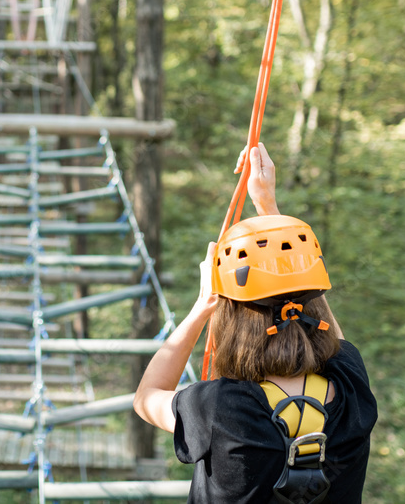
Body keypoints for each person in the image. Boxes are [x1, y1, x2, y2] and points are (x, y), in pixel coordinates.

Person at [134, 143, 377, 504]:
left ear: (230, 315)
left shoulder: (220, 408)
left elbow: (146, 398)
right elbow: (332, 335)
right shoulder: (350, 383)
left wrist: (203, 305)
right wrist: (271, 212)